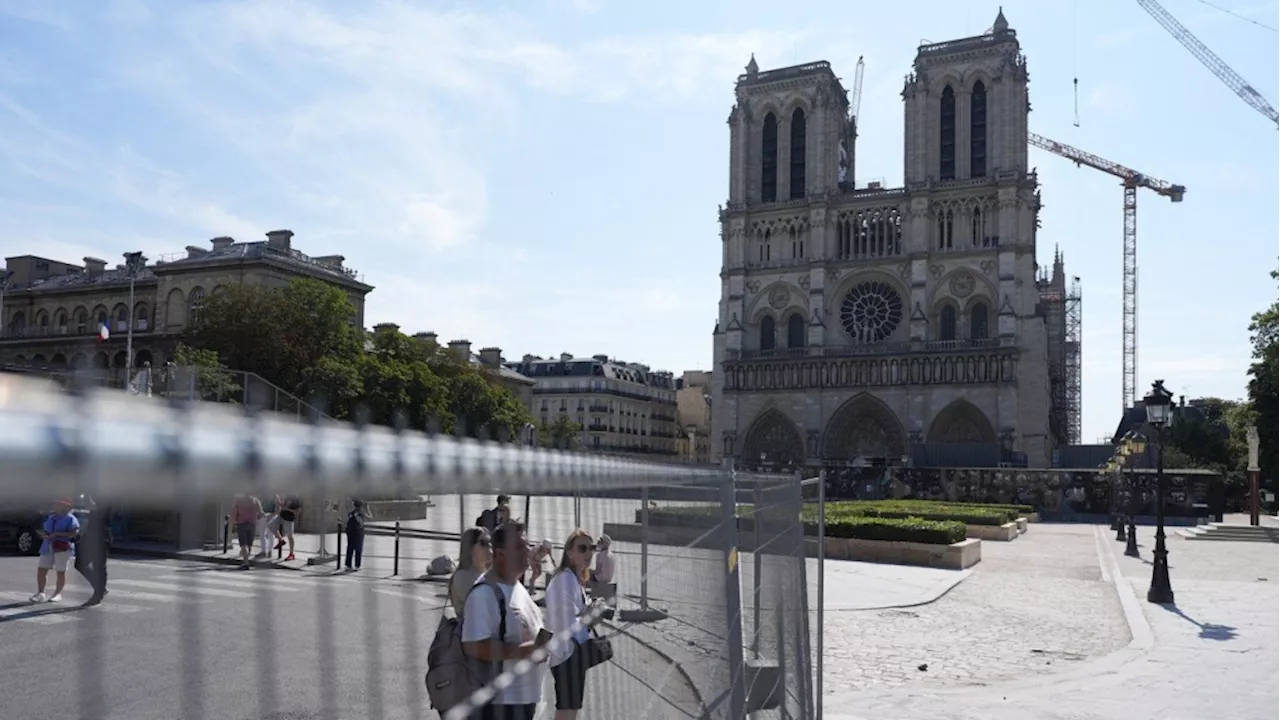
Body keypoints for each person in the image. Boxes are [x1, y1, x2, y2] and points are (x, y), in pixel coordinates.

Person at [461, 521, 549, 720]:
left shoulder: (517, 586)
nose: (527, 549)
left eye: (526, 544)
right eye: (519, 546)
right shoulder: (484, 593)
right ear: (500, 554)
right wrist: (519, 651)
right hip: (501, 705)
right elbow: (472, 645)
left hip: (524, 701)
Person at [545, 530, 597, 719]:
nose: (588, 554)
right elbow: (567, 624)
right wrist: (590, 616)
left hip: (570, 654)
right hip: (567, 654)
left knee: (570, 709)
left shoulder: (573, 578)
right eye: (582, 548)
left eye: (591, 548)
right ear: (569, 552)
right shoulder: (565, 580)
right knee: (567, 711)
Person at [31, 498, 80, 603]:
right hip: (48, 545)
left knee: (60, 571)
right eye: (56, 504)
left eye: (58, 504)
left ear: (65, 507)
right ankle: (40, 593)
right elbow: (46, 529)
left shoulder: (70, 518)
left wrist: (57, 534)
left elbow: (74, 533)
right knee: (42, 569)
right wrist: (44, 534)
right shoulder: (51, 517)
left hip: (62, 546)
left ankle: (58, 593)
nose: (55, 506)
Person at [74, 497, 112, 605]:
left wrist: (92, 504)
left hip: (102, 538)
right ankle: (100, 587)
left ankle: (98, 595)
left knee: (99, 566)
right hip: (89, 537)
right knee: (80, 563)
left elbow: (99, 511)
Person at [449, 526, 492, 615]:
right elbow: (483, 607)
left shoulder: (486, 573)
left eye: (490, 542)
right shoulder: (462, 576)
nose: (490, 547)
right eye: (484, 543)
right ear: (470, 548)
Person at [232, 493, 263, 569]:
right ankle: (246, 559)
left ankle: (245, 563)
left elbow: (234, 514)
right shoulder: (255, 500)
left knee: (243, 544)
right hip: (252, 524)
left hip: (241, 524)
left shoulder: (239, 501)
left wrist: (232, 524)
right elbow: (261, 512)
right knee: (249, 544)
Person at [344, 499, 371, 571]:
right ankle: (357, 565)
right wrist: (368, 509)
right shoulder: (361, 513)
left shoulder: (351, 513)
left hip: (350, 533)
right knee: (358, 549)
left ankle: (348, 565)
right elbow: (370, 517)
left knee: (350, 548)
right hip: (359, 532)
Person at [278, 494, 302, 561]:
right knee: (271, 524)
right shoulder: (286, 497)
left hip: (290, 519)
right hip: (281, 517)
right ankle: (281, 540)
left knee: (290, 537)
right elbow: (282, 506)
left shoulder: (295, 499)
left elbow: (298, 511)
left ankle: (291, 554)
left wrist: (288, 509)